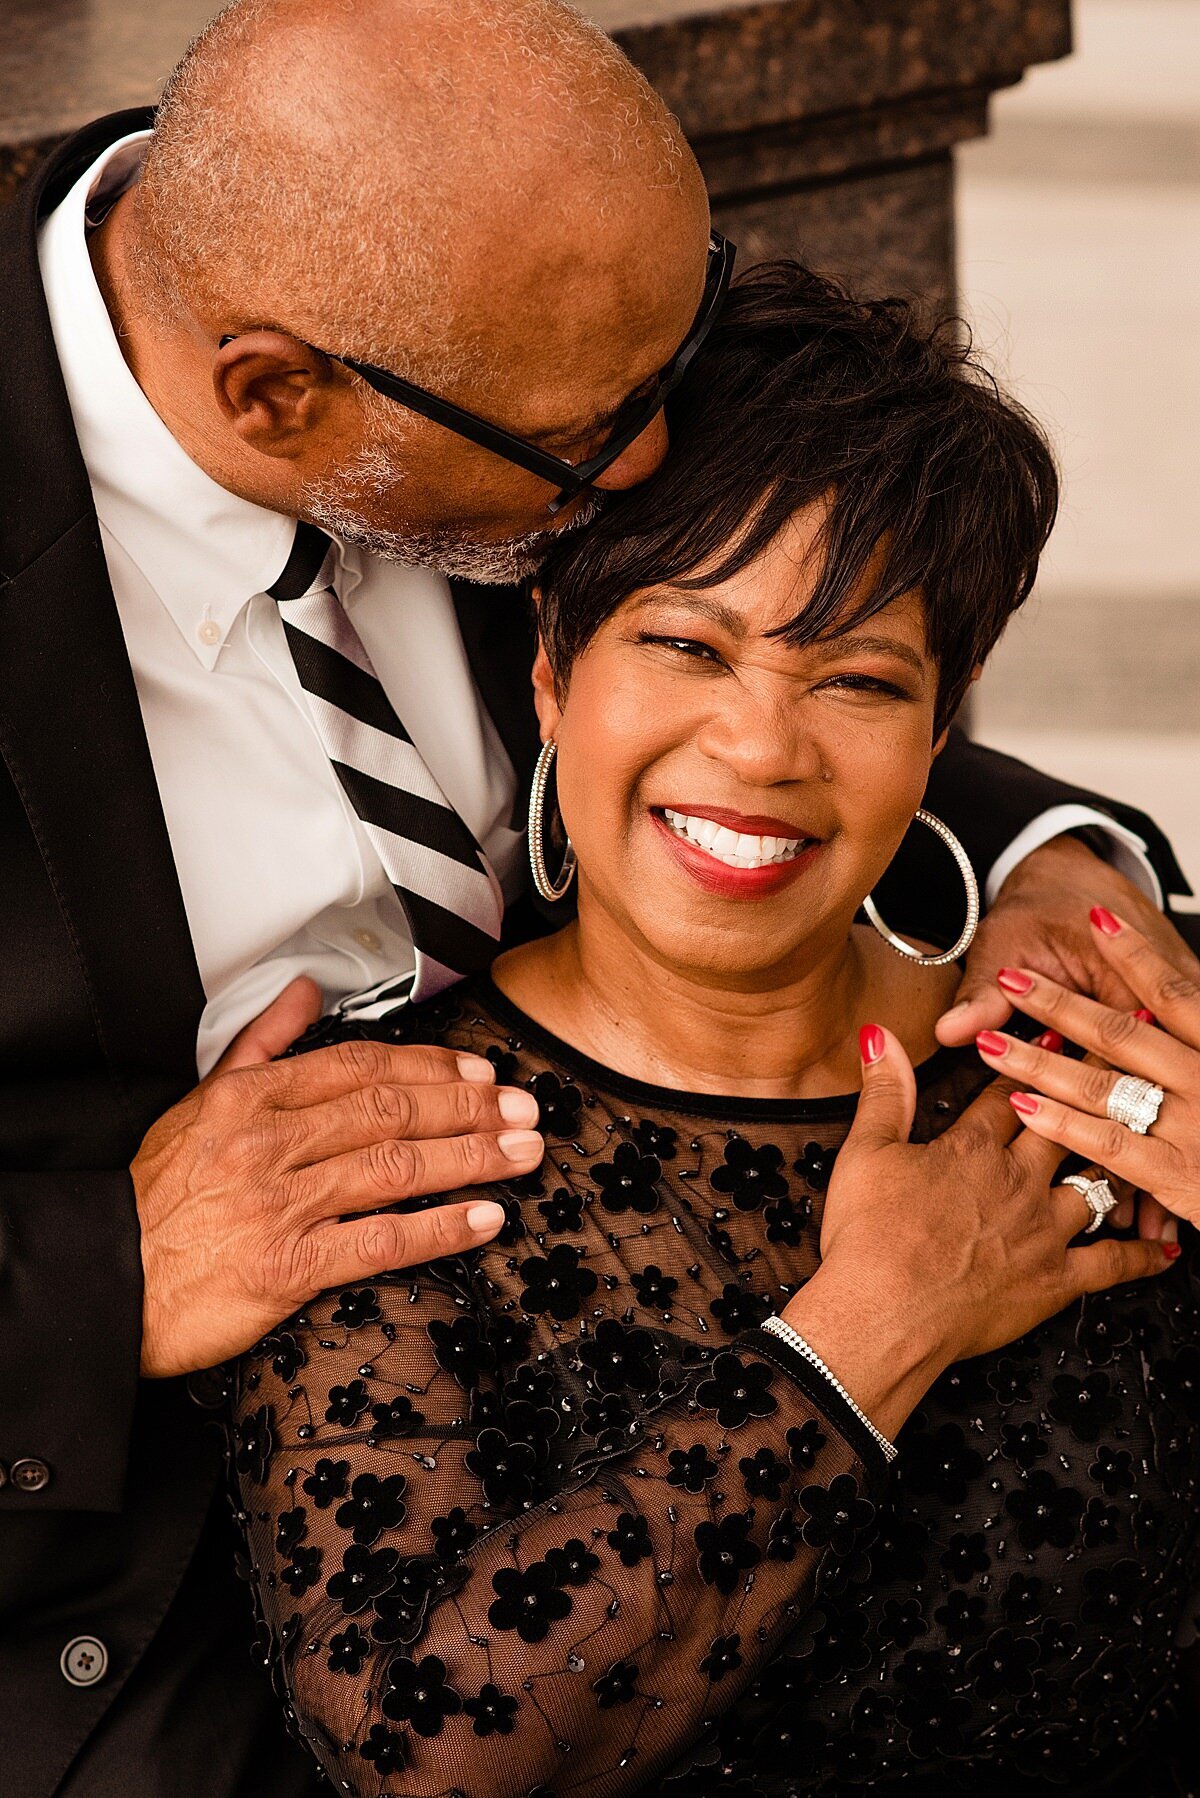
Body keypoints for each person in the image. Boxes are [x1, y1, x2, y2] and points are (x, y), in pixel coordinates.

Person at [0, 0, 1192, 1792]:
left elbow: (784, 621)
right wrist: (105, 1272)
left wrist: (1051, 862)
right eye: (591, 450)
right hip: (128, 1617)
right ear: (273, 394)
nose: (650, 465)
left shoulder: (507, 316)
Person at [231, 266, 1200, 1796]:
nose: (759, 748)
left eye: (861, 679)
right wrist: (866, 1333)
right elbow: (427, 1756)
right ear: (550, 670)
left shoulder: (1128, 1053)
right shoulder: (386, 1138)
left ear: (943, 738)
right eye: (687, 645)